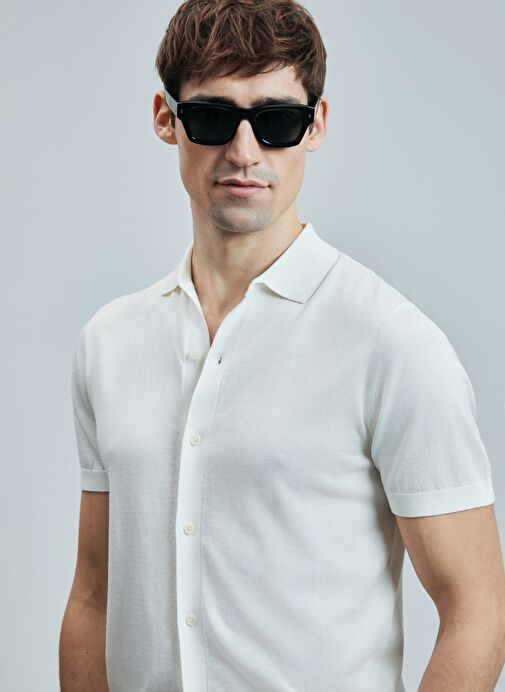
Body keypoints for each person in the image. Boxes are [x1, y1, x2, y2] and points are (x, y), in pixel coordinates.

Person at [59, 1, 505, 691]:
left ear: (315, 124)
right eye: (212, 117)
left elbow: (478, 612)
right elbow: (93, 592)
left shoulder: (389, 344)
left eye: (276, 122)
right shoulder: (109, 343)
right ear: (164, 118)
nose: (244, 153)